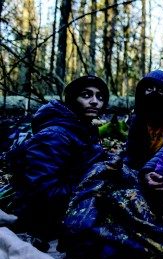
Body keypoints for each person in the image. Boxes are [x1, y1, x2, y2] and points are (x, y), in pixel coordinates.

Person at [8, 75, 110, 246]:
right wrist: (95, 186)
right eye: (86, 95)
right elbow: (44, 191)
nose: (94, 102)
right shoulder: (55, 135)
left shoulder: (82, 128)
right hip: (44, 217)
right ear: (72, 100)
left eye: (100, 97)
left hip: (67, 205)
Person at [124, 70, 163, 170]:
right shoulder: (138, 120)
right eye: (149, 89)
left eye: (160, 90)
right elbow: (132, 156)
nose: (154, 94)